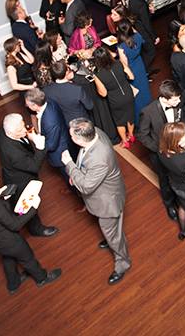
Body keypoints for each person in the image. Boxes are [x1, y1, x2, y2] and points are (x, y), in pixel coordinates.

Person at [0, 169, 61, 294]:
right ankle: (42, 278)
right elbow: (15, 225)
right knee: (28, 259)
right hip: (10, 241)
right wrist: (33, 208)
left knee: (8, 258)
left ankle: (13, 284)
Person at [62, 118, 131, 285]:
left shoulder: (99, 158)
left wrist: (69, 165)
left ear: (80, 139)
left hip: (108, 202)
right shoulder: (95, 132)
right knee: (112, 231)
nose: (70, 137)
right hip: (108, 191)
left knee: (113, 235)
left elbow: (86, 186)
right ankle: (110, 238)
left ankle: (123, 263)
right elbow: (86, 165)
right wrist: (78, 173)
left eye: (72, 136)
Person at [0, 114, 61, 239]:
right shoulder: (13, 153)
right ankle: (35, 229)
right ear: (11, 133)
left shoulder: (3, 130)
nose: (25, 130)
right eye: (20, 130)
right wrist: (40, 147)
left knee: (17, 202)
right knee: (28, 203)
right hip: (21, 181)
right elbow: (34, 166)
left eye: (23, 125)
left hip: (12, 172)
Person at [136, 80, 185, 220]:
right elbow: (142, 135)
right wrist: (159, 149)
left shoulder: (178, 103)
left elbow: (183, 117)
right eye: (175, 99)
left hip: (178, 148)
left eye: (179, 98)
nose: (179, 101)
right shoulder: (148, 112)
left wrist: (184, 133)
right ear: (164, 98)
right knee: (165, 179)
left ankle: (181, 200)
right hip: (160, 152)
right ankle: (169, 204)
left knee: (179, 175)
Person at [92, 45, 136, 147]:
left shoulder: (98, 75)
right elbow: (131, 76)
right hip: (128, 93)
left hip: (116, 99)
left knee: (119, 121)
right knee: (130, 116)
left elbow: (103, 93)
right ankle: (131, 136)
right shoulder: (119, 63)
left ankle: (125, 142)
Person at [24, 88, 72, 176]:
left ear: (35, 105)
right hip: (62, 135)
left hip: (60, 153)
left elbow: (51, 145)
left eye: (27, 105)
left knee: (68, 175)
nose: (26, 106)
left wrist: (34, 139)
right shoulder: (49, 102)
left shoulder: (50, 122)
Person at [115, 19, 150, 118]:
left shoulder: (121, 46)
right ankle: (149, 111)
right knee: (144, 88)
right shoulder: (138, 36)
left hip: (131, 69)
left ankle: (140, 116)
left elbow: (124, 64)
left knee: (136, 93)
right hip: (139, 64)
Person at [126, 0, 158, 70]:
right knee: (151, 51)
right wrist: (154, 36)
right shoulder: (141, 3)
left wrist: (148, 11)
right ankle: (143, 70)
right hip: (142, 30)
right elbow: (146, 22)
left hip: (136, 27)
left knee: (144, 51)